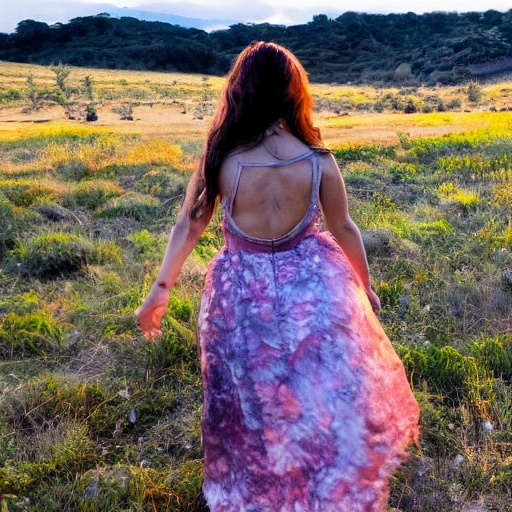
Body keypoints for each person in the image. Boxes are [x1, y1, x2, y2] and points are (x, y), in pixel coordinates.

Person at [136, 41, 419, 512]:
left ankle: (263, 486)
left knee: (249, 399)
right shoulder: (316, 159)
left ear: (239, 91)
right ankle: (323, 477)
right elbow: (344, 227)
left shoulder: (222, 156)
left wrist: (160, 289)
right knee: (319, 390)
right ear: (294, 94)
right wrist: (364, 285)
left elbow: (189, 224)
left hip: (240, 294)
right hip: (313, 286)